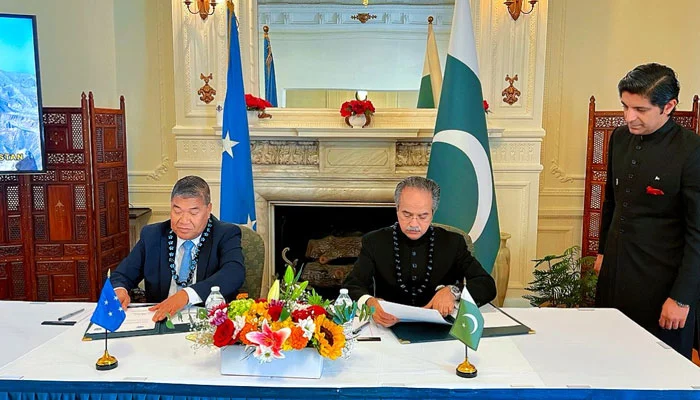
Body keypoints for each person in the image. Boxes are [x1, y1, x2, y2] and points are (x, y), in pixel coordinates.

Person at [595, 63, 700, 359]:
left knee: (659, 367)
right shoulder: (619, 138)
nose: (629, 117)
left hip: (663, 284)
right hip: (616, 273)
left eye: (640, 109)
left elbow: (698, 234)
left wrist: (681, 298)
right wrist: (602, 253)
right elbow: (611, 201)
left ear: (669, 106)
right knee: (608, 356)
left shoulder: (692, 150)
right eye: (625, 106)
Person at [343, 176, 496, 327]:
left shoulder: (453, 243)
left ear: (432, 213)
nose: (414, 224)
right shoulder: (374, 241)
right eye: (407, 214)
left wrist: (453, 291)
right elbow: (351, 286)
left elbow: (486, 284)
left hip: (441, 327)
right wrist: (369, 302)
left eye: (423, 216)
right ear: (397, 209)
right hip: (388, 326)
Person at [111, 176, 245, 322]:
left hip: (207, 321)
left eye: (193, 212)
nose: (184, 220)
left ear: (208, 210)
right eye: (177, 211)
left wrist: (187, 295)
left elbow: (234, 272)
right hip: (160, 319)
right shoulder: (153, 235)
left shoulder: (225, 234)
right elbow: (122, 275)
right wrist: (120, 290)